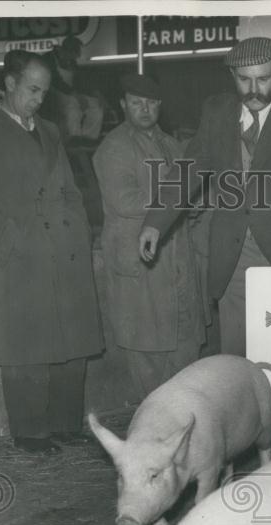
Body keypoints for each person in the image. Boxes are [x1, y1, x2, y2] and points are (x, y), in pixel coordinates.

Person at [139, 36, 271, 356]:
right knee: (238, 362)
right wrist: (155, 222)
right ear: (231, 76)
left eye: (263, 79)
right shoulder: (216, 112)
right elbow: (188, 171)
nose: (253, 90)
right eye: (243, 79)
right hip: (232, 258)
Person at [0, 50, 104, 453]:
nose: (40, 98)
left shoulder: (52, 131)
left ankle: (66, 424)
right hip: (22, 255)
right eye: (33, 89)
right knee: (28, 346)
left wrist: (81, 234)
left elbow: (71, 190)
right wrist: (12, 244)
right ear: (9, 83)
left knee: (70, 342)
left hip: (65, 251)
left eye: (45, 91)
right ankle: (31, 432)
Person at [93, 73, 205, 400]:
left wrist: (196, 200)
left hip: (178, 265)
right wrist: (178, 198)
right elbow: (124, 200)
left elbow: (192, 193)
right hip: (141, 270)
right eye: (136, 102)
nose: (145, 108)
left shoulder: (172, 145)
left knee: (185, 353)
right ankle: (154, 434)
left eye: (152, 102)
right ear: (123, 104)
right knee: (148, 356)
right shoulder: (114, 147)